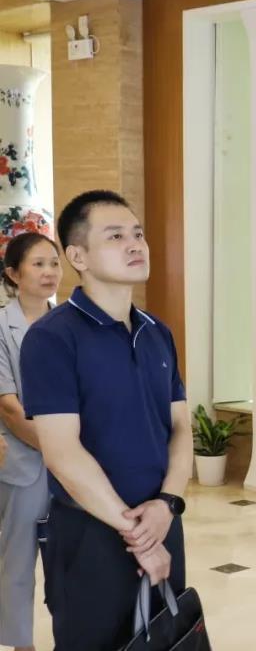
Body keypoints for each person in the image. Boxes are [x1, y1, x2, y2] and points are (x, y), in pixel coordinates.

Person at [20, 190, 191, 650]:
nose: (135, 244)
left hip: (162, 522)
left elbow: (180, 429)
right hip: (90, 534)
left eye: (137, 234)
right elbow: (62, 453)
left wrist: (167, 504)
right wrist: (138, 536)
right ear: (78, 256)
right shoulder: (52, 339)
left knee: (165, 640)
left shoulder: (157, 332)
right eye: (115, 236)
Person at [0, 232, 62, 651]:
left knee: (71, 562)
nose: (49, 272)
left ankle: (72, 638)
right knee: (18, 561)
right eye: (38, 264)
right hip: (24, 464)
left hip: (74, 466)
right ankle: (23, 645)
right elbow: (8, 407)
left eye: (54, 263)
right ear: (13, 274)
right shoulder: (2, 327)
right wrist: (63, 450)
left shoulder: (70, 323)